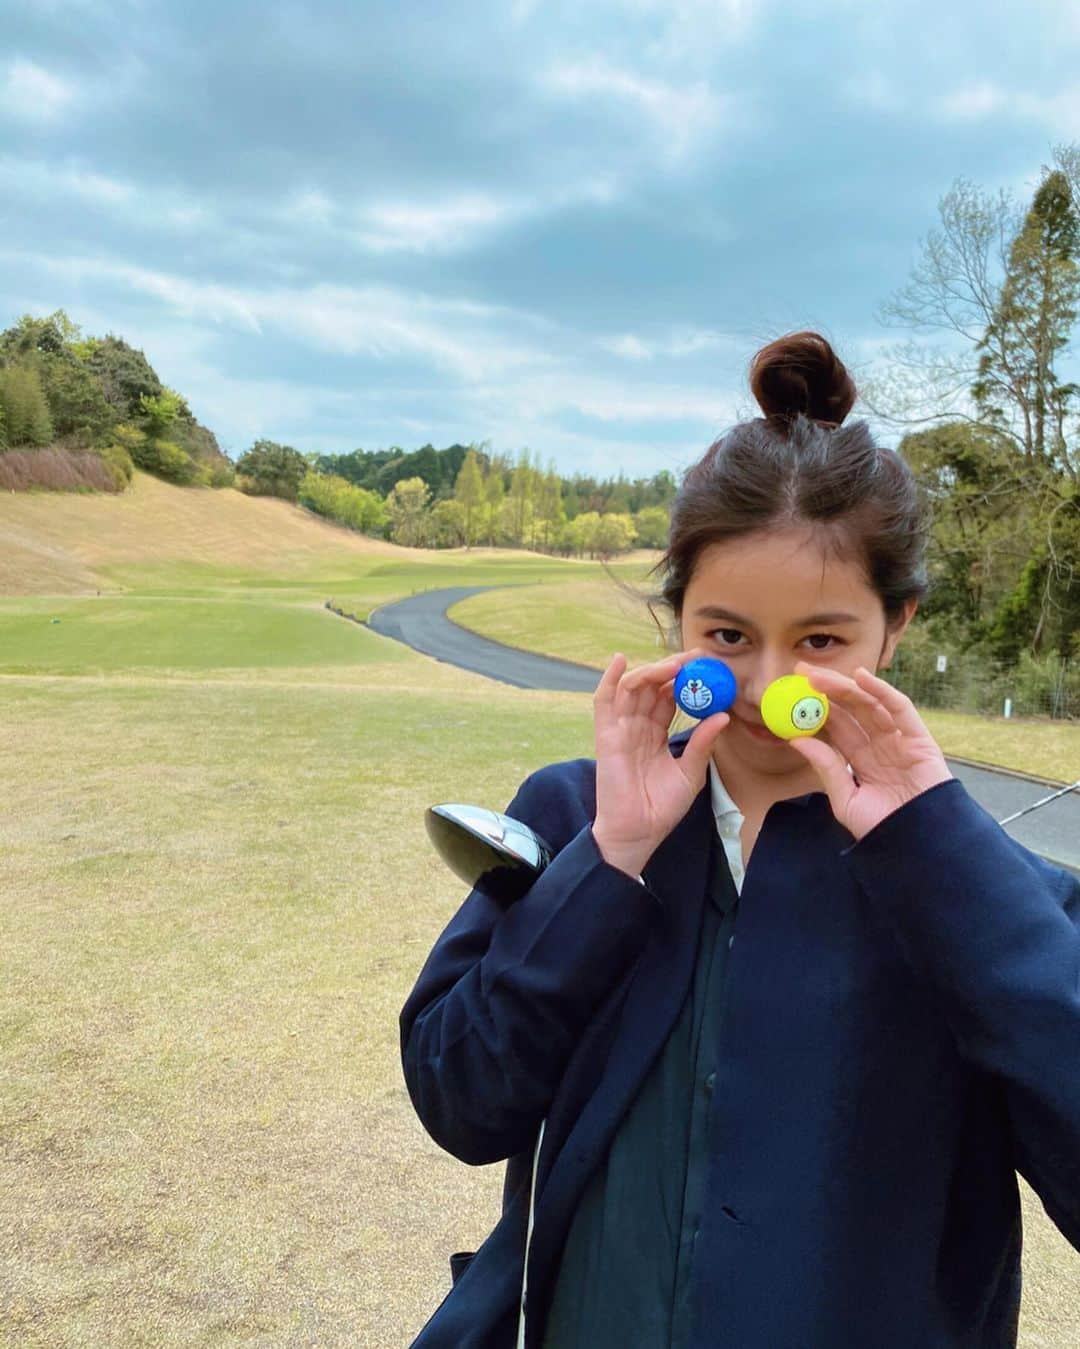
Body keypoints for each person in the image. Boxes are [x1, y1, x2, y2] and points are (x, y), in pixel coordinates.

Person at [399, 331, 1080, 1348]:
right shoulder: (574, 815)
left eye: (819, 640)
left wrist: (944, 861)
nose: (766, 688)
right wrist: (607, 861)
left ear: (894, 627)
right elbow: (461, 1102)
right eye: (726, 635)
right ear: (677, 619)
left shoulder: (988, 890)